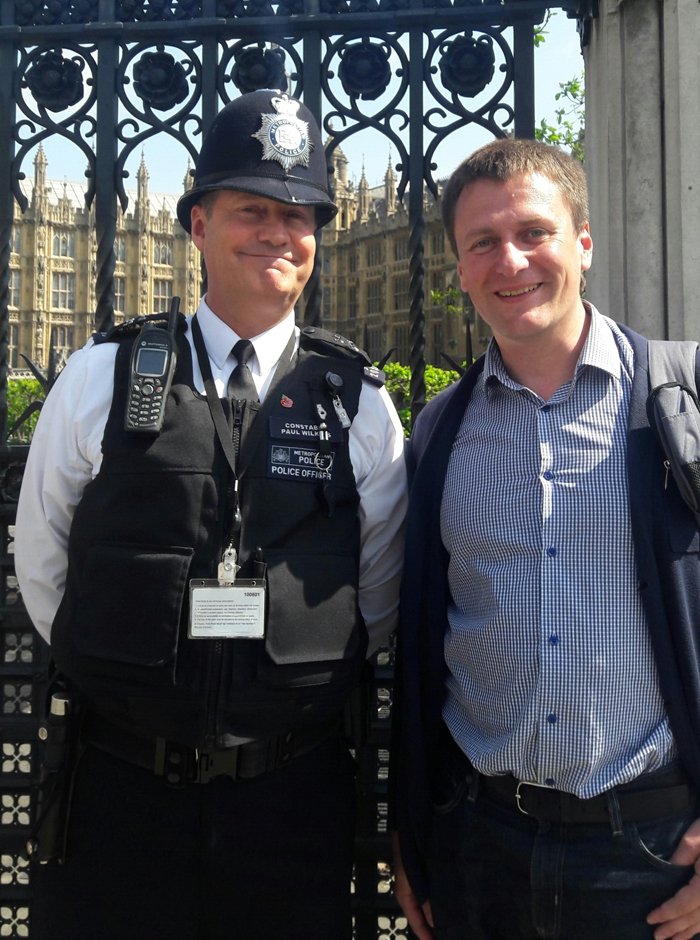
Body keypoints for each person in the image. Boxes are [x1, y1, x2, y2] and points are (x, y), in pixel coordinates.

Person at [15, 88, 407, 940]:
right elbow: (45, 567)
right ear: (197, 226)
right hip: (117, 797)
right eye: (251, 209)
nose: (278, 232)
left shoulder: (357, 402)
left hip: (291, 807)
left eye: (299, 215)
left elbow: (377, 594)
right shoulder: (103, 377)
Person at [391, 137, 700, 940]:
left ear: (584, 243)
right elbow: (422, 638)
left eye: (535, 232)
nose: (511, 260)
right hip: (476, 846)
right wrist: (415, 826)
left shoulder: (684, 402)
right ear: (459, 270)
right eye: (483, 243)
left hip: (653, 852)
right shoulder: (437, 433)